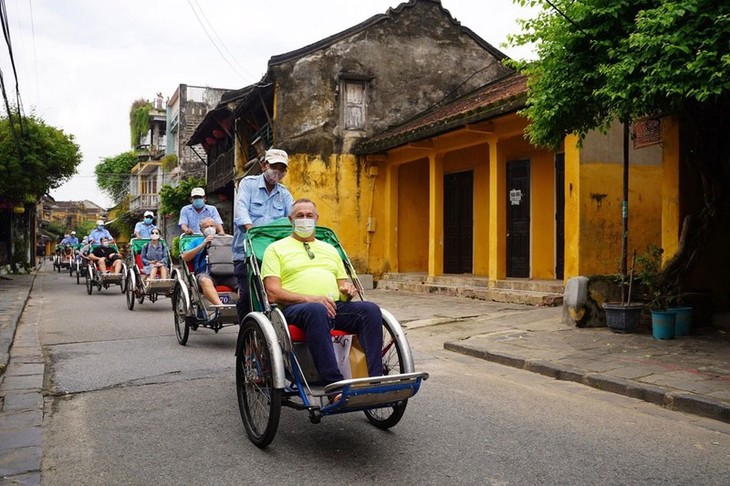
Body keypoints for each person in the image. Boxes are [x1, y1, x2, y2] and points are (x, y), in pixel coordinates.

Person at [261, 198, 383, 393]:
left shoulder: (330, 250)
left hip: (333, 305)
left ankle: (376, 379)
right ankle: (334, 386)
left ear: (317, 219)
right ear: (291, 219)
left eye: (309, 216)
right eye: (299, 216)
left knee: (370, 310)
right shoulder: (275, 249)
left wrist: (348, 291)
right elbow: (273, 293)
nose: (305, 219)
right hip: (296, 309)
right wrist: (310, 298)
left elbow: (342, 285)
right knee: (317, 309)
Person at [233, 148, 295, 322]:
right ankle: (246, 333)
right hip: (247, 252)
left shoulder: (284, 193)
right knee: (246, 296)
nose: (278, 171)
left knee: (277, 294)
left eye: (282, 168)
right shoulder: (248, 184)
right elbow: (241, 209)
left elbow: (293, 216)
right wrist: (250, 228)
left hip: (274, 255)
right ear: (264, 165)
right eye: (275, 166)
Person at [181, 217, 235, 306]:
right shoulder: (196, 241)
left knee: (243, 282)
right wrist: (203, 244)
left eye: (212, 226)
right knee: (205, 281)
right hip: (205, 273)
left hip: (227, 273)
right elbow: (185, 257)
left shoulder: (225, 240)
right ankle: (221, 306)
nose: (209, 228)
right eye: (206, 227)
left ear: (216, 227)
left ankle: (242, 309)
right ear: (201, 230)